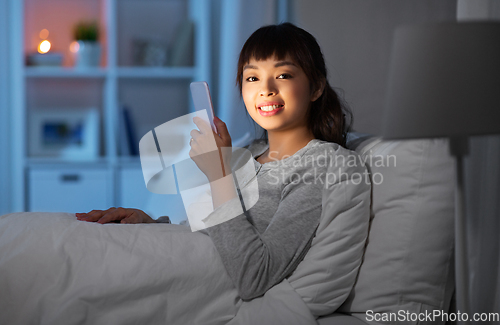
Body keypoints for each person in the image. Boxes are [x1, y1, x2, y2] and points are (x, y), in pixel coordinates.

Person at [76, 22, 355, 301]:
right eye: (252, 78)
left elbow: (254, 277)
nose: (266, 89)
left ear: (316, 87)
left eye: (283, 75)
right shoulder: (246, 153)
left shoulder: (322, 165)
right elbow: (210, 235)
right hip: (168, 261)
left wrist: (219, 174)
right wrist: (150, 223)